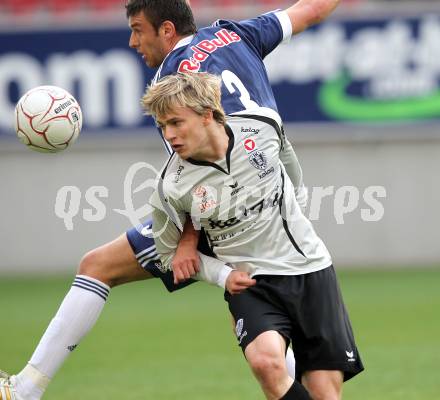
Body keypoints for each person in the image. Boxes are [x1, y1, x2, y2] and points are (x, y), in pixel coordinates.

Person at [0, 0, 340, 398]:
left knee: (97, 266)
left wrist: (187, 242)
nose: (132, 41)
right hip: (271, 194)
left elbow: (201, 176)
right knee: (257, 317)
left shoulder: (172, 88)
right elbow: (312, 10)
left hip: (228, 209)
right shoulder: (237, 33)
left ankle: (24, 390)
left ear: (165, 30)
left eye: (137, 29)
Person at [144, 72, 364, 400]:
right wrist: (222, 275)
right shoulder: (171, 185)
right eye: (163, 126)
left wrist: (298, 202)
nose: (169, 135)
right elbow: (166, 254)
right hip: (251, 284)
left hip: (310, 270)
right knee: (266, 363)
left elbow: (286, 154)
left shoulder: (261, 126)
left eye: (176, 122)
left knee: (324, 394)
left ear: (207, 114)